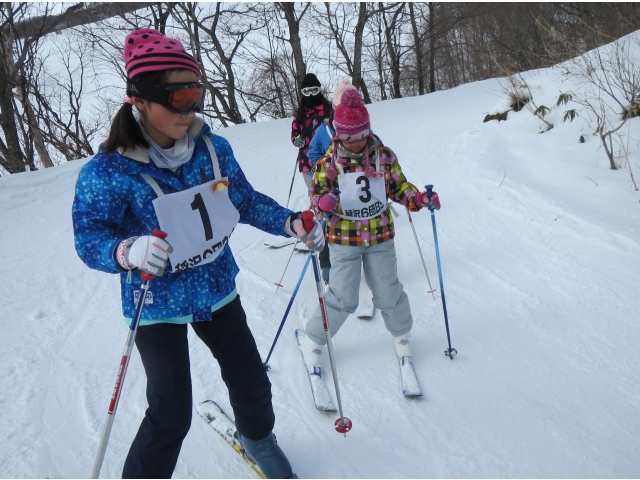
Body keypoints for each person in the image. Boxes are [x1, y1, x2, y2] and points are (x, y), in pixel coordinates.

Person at [72, 28, 324, 479]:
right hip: (156, 305)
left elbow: (242, 200)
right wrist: (128, 250)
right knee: (170, 411)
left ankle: (258, 440)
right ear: (140, 100)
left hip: (215, 287)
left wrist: (291, 222)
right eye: (178, 96)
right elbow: (89, 239)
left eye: (196, 93)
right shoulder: (108, 171)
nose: (190, 108)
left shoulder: (212, 148)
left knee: (250, 381)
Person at [300, 88, 441, 368]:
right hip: (342, 239)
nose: (356, 142)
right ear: (338, 133)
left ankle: (401, 334)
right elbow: (315, 200)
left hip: (380, 237)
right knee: (343, 296)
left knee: (388, 290)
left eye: (361, 134)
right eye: (349, 136)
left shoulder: (384, 156)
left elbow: (399, 187)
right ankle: (314, 338)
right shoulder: (327, 165)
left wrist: (418, 199)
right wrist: (322, 203)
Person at [305, 79, 357, 283]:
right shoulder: (325, 130)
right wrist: (323, 168)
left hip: (353, 184)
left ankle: (357, 262)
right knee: (327, 222)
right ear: (335, 108)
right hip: (331, 185)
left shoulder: (359, 122)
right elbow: (312, 151)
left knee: (353, 222)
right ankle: (326, 264)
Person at [290, 73, 332, 194]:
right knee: (314, 191)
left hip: (327, 158)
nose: (311, 95)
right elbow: (295, 130)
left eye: (314, 90)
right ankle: (317, 210)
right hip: (306, 160)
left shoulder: (329, 108)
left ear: (319, 90)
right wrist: (296, 139)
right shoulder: (301, 111)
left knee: (330, 190)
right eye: (307, 91)